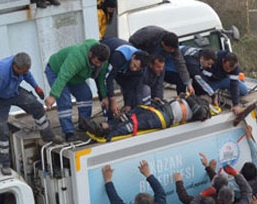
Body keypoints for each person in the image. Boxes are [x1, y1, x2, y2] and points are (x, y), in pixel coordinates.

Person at [0, 52, 63, 175]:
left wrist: (36, 87)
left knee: (37, 107)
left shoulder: (20, 66)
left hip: (12, 90)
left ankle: (48, 135)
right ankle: (4, 164)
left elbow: (27, 75)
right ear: (15, 68)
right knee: (1, 130)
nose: (26, 73)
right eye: (23, 71)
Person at [44, 40, 110, 141]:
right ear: (90, 54)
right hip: (56, 71)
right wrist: (53, 95)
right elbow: (64, 75)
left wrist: (104, 96)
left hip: (75, 76)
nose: (98, 65)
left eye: (100, 64)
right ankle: (68, 132)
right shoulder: (77, 57)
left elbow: (100, 78)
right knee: (65, 101)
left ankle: (84, 123)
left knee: (86, 95)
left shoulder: (102, 61)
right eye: (96, 62)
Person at [80, 94, 211, 141]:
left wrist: (189, 98)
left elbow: (200, 112)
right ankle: (103, 126)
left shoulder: (204, 109)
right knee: (127, 116)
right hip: (158, 108)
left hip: (163, 117)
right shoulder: (192, 99)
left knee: (132, 124)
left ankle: (105, 133)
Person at [129, 25, 195, 95]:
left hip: (157, 58)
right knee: (145, 78)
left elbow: (180, 63)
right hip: (141, 51)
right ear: (163, 44)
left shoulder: (173, 45)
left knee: (160, 74)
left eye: (174, 49)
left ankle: (158, 98)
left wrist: (188, 83)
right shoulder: (150, 35)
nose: (172, 51)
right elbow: (132, 42)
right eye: (170, 49)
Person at [100, 38, 150, 117]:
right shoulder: (119, 56)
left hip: (122, 68)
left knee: (133, 96)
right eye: (134, 65)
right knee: (107, 100)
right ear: (133, 57)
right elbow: (108, 78)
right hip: (104, 59)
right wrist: (112, 100)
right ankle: (108, 118)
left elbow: (130, 85)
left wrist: (128, 104)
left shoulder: (140, 70)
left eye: (137, 68)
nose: (134, 69)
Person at [202, 51, 248, 115]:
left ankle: (228, 90)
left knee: (244, 91)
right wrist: (212, 95)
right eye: (226, 68)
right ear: (223, 61)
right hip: (211, 82)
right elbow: (202, 80)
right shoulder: (213, 60)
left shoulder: (235, 66)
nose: (228, 71)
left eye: (230, 70)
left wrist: (236, 104)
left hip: (225, 79)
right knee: (203, 94)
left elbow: (234, 84)